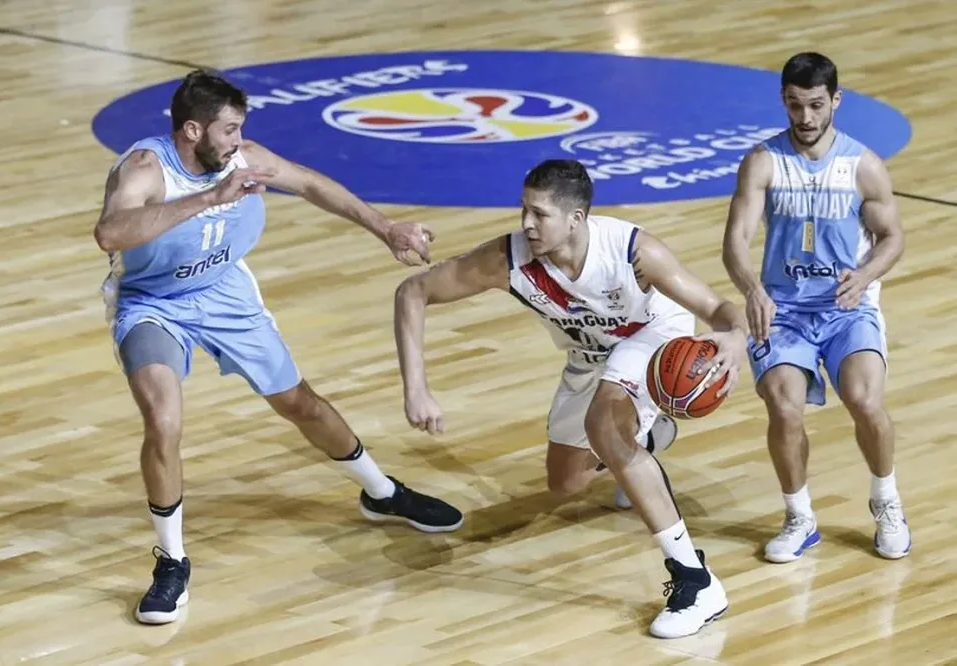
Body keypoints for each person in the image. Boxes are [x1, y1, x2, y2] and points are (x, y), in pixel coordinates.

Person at [93, 69, 464, 626]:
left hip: (224, 293)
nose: (238, 141)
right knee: (163, 420)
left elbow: (311, 183)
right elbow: (110, 233)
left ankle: (381, 492)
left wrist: (384, 228)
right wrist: (209, 199)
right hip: (154, 302)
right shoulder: (144, 169)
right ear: (192, 131)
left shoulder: (242, 157)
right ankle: (172, 562)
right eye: (229, 130)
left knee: (300, 404)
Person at [393, 158, 749, 639]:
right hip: (588, 356)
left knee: (605, 425)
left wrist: (737, 334)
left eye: (539, 214)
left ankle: (695, 579)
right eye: (523, 210)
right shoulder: (509, 260)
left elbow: (716, 307)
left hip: (650, 339)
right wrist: (417, 388)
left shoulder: (632, 251)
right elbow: (413, 292)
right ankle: (649, 435)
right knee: (565, 483)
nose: (525, 224)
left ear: (576, 219)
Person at [721, 51, 911, 564]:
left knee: (863, 399)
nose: (805, 118)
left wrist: (867, 274)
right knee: (784, 408)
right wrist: (752, 289)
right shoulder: (763, 161)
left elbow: (893, 237)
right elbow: (735, 240)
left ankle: (886, 501)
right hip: (782, 311)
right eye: (794, 105)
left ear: (836, 101)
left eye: (815, 105)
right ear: (783, 100)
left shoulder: (862, 165)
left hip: (847, 308)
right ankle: (800, 517)